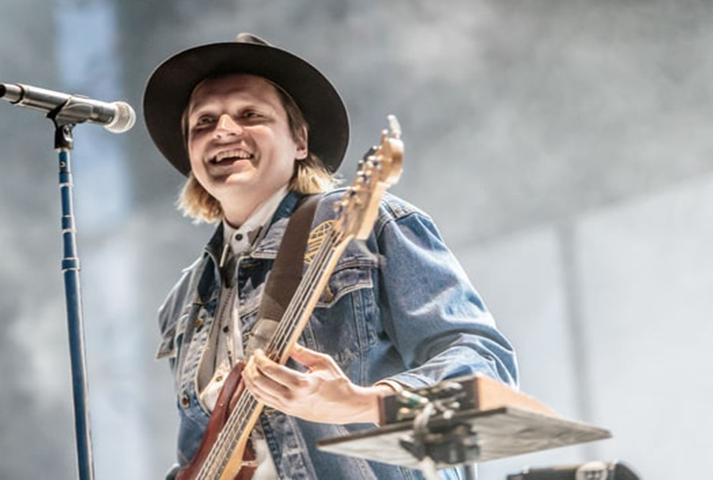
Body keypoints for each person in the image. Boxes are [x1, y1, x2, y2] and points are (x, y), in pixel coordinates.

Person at [143, 33, 517, 479]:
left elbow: (487, 373)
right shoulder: (184, 301)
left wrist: (359, 402)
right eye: (203, 123)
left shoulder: (370, 226)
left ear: (300, 140)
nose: (223, 130)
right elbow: (198, 458)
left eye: (249, 114)